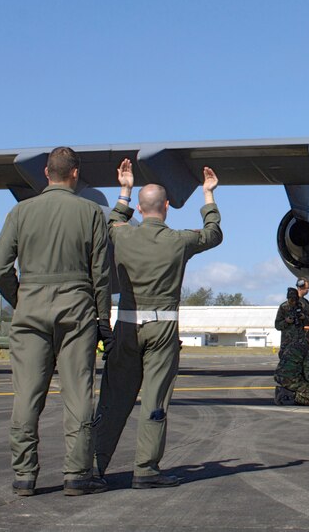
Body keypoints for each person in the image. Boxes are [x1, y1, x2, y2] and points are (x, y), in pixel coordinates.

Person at [0, 146, 112, 497]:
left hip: (30, 311)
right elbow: (100, 273)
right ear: (75, 174)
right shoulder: (91, 213)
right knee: (77, 394)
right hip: (77, 310)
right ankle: (77, 474)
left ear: (46, 173)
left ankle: (24, 475)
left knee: (27, 396)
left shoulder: (21, 212)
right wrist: (103, 318)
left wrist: (21, 297)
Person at [92, 159, 222, 489]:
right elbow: (213, 234)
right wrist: (208, 196)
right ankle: (146, 469)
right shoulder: (178, 240)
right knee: (155, 399)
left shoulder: (122, 236)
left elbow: (112, 221)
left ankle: (93, 465)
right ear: (166, 207)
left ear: (139, 206)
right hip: (162, 328)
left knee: (114, 399)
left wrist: (124, 188)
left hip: (125, 325)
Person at [274, 277, 309, 354]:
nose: (308, 290)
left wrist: (305, 316)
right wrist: (286, 321)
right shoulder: (284, 307)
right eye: (307, 288)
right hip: (287, 344)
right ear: (301, 287)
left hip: (302, 341)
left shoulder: (304, 303)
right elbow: (277, 325)